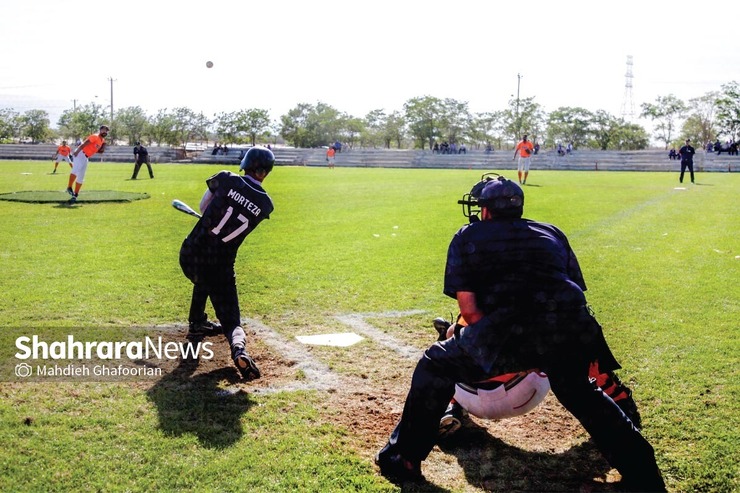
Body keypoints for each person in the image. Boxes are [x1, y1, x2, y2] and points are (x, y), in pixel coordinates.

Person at [375, 175, 666, 492]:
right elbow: (570, 289)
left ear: (485, 210)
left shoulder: (468, 235)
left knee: (435, 364)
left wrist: (490, 343)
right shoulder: (551, 231)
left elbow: (470, 312)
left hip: (511, 328)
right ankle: (644, 476)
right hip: (573, 324)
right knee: (580, 392)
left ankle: (402, 458)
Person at [178, 146, 275, 380]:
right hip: (221, 264)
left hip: (191, 254)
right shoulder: (266, 205)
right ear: (266, 172)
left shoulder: (225, 178)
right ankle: (239, 350)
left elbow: (203, 208)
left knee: (203, 279)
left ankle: (197, 322)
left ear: (247, 164)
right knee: (232, 321)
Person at [67, 125, 109, 203]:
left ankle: (75, 195)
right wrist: (76, 152)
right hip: (81, 153)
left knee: (81, 177)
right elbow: (84, 144)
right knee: (75, 170)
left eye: (106, 131)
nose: (105, 132)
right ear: (100, 130)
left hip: (86, 157)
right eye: (103, 130)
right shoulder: (95, 136)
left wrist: (103, 148)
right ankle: (69, 187)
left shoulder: (102, 140)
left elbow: (97, 151)